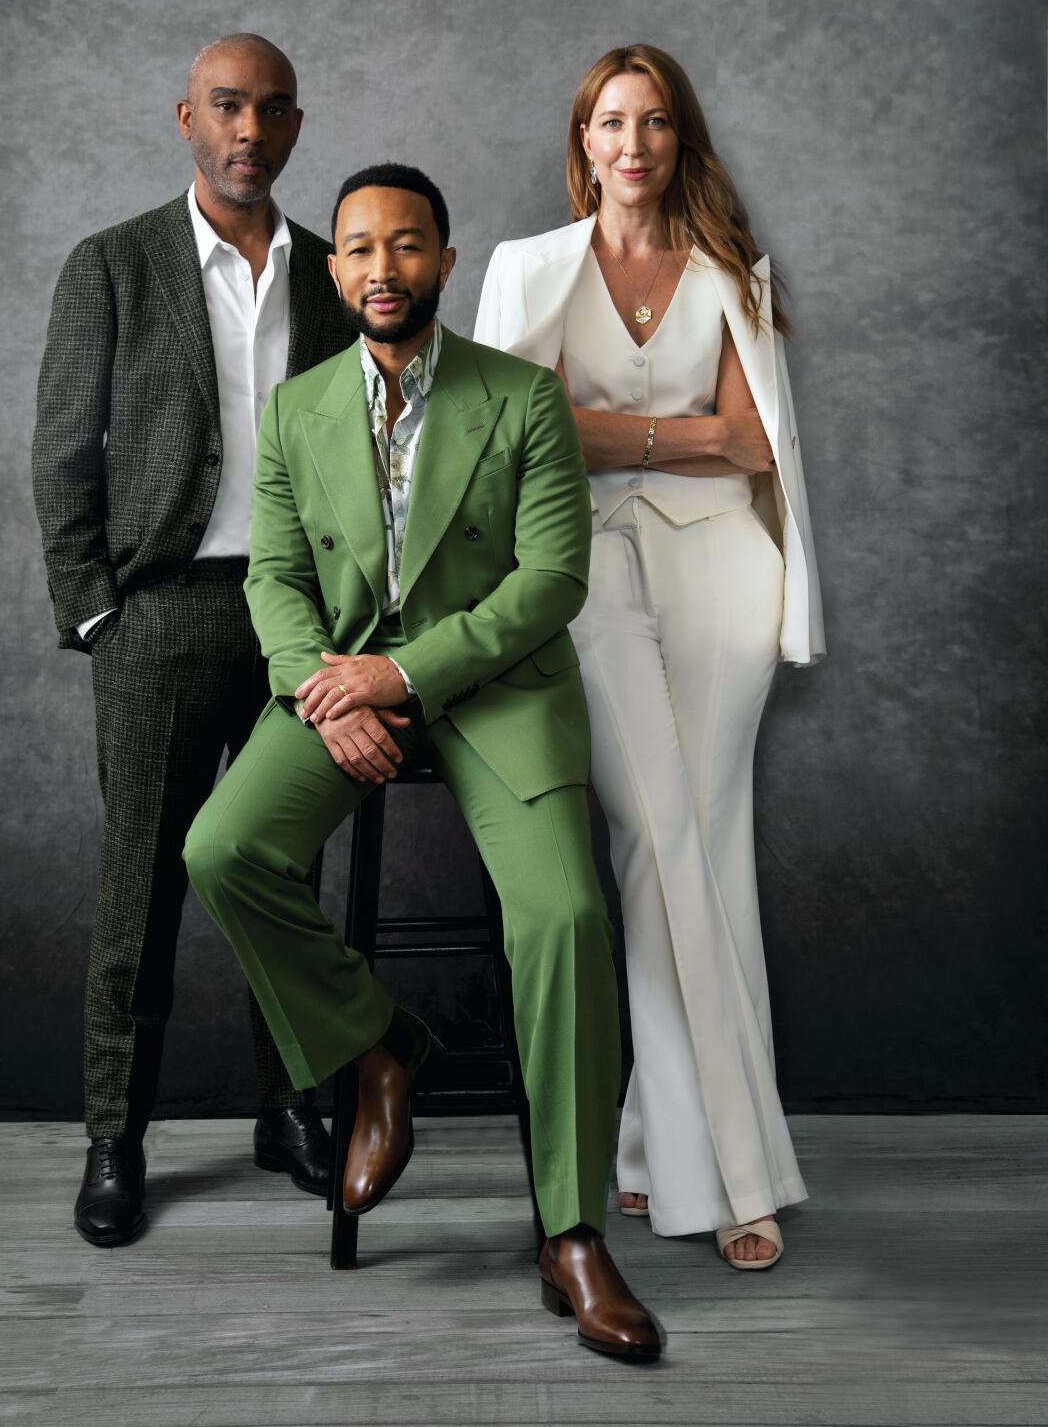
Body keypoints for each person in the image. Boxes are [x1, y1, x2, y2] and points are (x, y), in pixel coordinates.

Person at [183, 164, 665, 1360]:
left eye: (407, 246)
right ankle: (380, 1045)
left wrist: (400, 677)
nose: (382, 268)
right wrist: (315, 686)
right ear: (331, 268)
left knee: (562, 920)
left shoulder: (522, 398)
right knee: (224, 848)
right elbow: (274, 580)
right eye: (357, 248)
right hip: (338, 684)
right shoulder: (297, 413)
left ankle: (572, 1233)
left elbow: (551, 582)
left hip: (493, 693)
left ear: (446, 263)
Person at [474, 44, 825, 1270]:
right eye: (611, 123)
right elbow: (523, 445)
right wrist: (681, 434)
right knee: (659, 837)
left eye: (656, 121)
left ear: (681, 141)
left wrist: (610, 432)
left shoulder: (734, 273)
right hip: (582, 578)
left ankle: (643, 1147)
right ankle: (734, 1174)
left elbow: (755, 448)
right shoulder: (528, 273)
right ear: (584, 145)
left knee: (703, 845)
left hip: (726, 572)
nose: (634, 143)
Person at [32, 33, 353, 1246]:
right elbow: (63, 449)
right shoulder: (113, 265)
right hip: (160, 614)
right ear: (186, 116)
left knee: (285, 887)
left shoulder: (332, 275)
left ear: (296, 125)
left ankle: (293, 1110)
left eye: (272, 111)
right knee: (141, 892)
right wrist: (98, 611)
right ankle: (116, 1137)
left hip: (300, 624)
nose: (249, 131)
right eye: (228, 106)